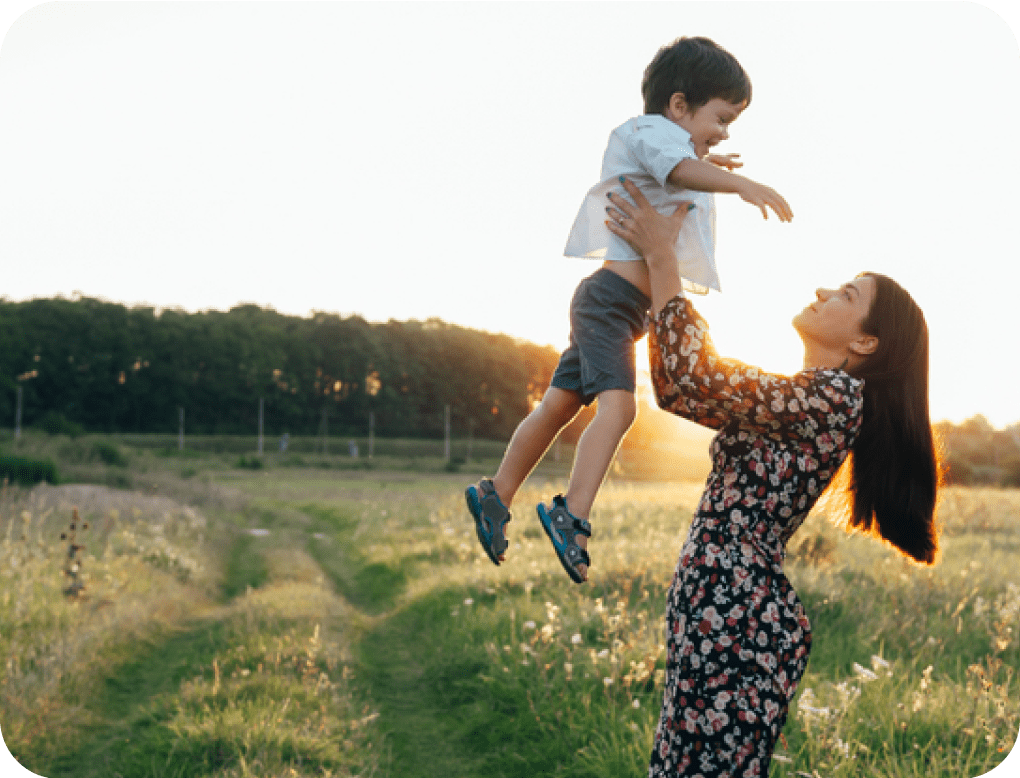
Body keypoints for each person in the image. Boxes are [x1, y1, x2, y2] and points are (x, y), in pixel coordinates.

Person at [605, 177, 941, 777]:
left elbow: (693, 381)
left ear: (866, 339)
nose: (822, 290)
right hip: (724, 606)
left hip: (737, 617)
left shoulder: (836, 398)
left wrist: (662, 256)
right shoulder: (805, 395)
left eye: (845, 293)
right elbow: (686, 385)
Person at [466, 36, 793, 584]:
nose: (725, 132)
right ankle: (571, 515)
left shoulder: (673, 145)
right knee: (620, 411)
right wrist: (740, 183)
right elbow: (682, 171)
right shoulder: (647, 133)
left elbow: (687, 167)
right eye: (721, 117)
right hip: (610, 305)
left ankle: (496, 494)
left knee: (556, 407)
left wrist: (713, 159)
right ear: (679, 105)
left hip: (621, 310)